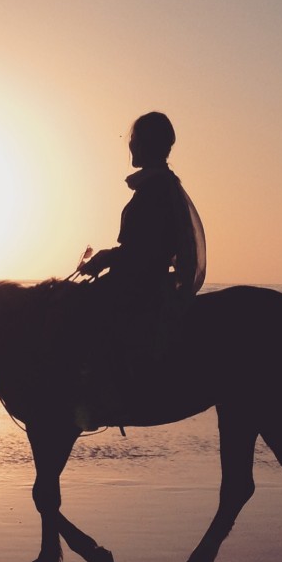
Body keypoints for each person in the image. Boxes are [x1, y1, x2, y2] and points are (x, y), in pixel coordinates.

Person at [72, 112, 206, 423]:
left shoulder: (156, 189)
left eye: (134, 140)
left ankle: (105, 394)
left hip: (140, 283)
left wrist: (107, 258)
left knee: (84, 316)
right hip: (138, 277)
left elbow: (148, 250)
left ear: (146, 144)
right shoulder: (159, 186)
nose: (130, 146)